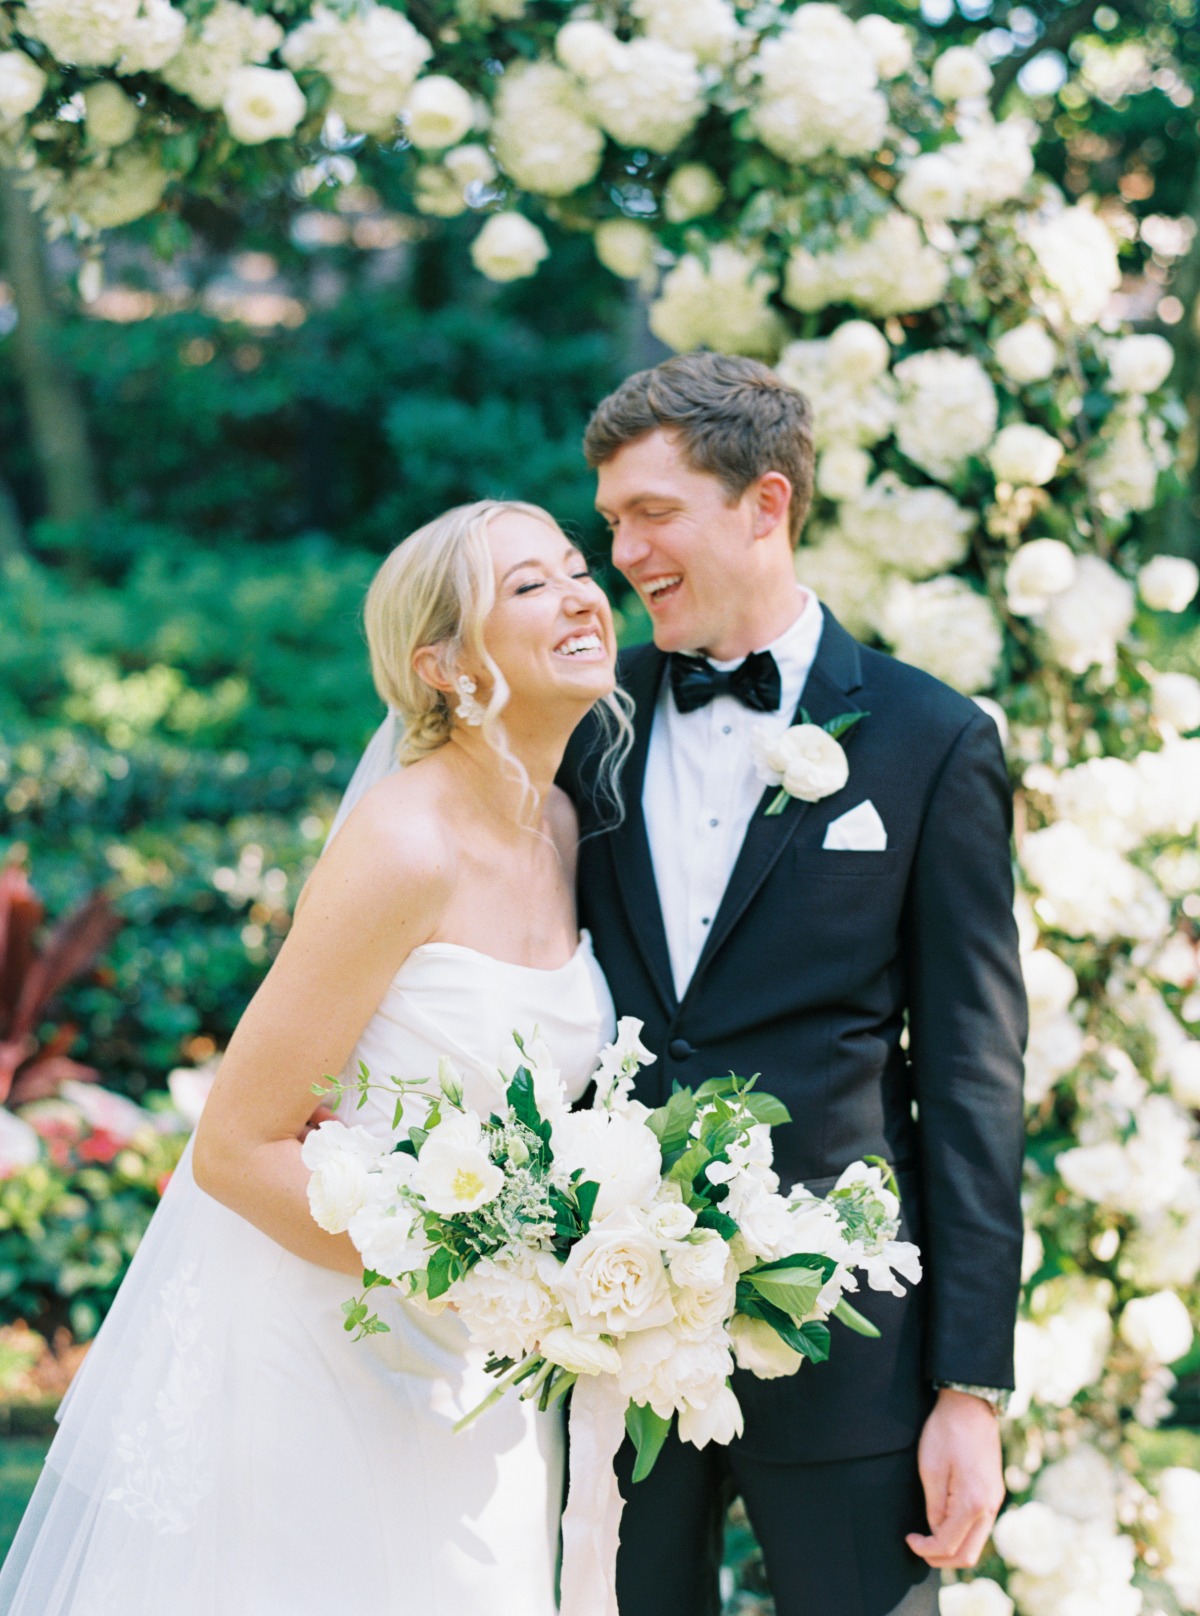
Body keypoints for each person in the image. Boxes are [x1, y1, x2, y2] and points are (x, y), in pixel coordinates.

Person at [0, 499, 629, 1616]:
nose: (583, 594)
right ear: (443, 664)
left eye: (578, 569)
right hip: (338, 1348)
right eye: (529, 585)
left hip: (491, 1364)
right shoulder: (402, 841)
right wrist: (472, 1269)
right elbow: (236, 1147)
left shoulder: (566, 827)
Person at [559, 354, 1028, 1616]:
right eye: (611, 521)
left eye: (652, 513)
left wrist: (969, 1388)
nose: (624, 552)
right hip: (603, 1330)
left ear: (765, 504)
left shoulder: (935, 742)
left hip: (845, 1343)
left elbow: (977, 1079)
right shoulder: (583, 728)